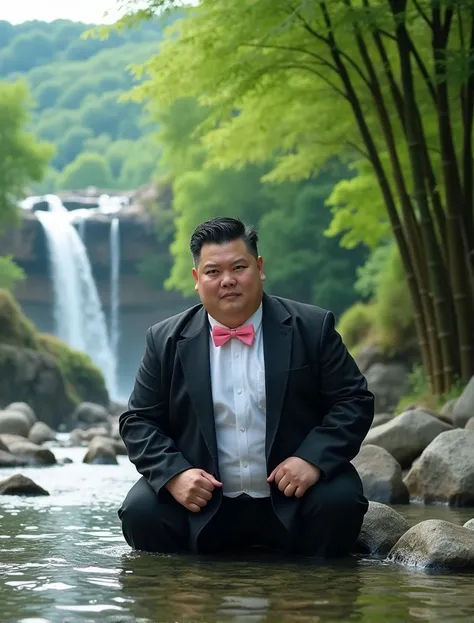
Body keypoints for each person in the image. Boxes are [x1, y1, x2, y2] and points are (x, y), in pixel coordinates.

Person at [118, 217, 374, 557]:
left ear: (259, 267)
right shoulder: (164, 340)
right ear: (197, 279)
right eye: (213, 272)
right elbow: (138, 421)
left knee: (340, 501)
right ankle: (180, 598)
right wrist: (175, 475)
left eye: (239, 267)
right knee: (141, 512)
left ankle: (316, 597)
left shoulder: (313, 328)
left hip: (294, 500)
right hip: (203, 506)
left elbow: (354, 400)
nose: (227, 281)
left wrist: (311, 459)